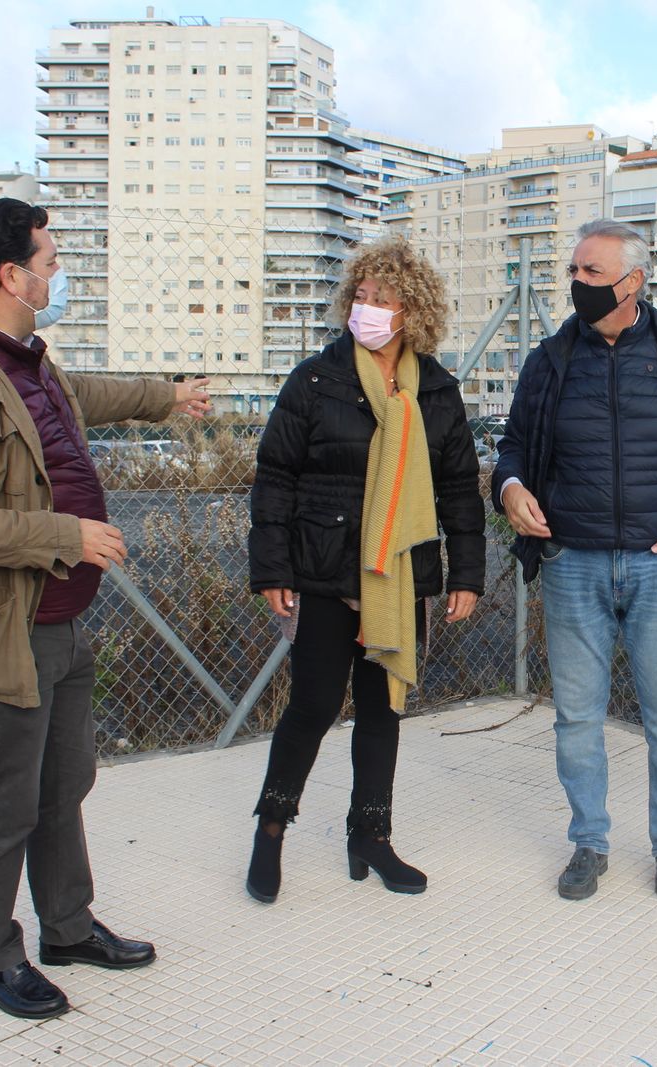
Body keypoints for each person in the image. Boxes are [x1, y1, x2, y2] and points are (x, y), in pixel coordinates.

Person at [0, 198, 213, 1020]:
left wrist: (165, 396)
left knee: (64, 784)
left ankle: (66, 925)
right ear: (10, 275)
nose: (57, 274)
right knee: (4, 800)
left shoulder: (26, 361)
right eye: (50, 261)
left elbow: (85, 393)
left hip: (58, 619)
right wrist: (63, 531)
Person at [493, 218, 657, 902]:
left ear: (633, 282)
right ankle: (589, 842)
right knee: (577, 716)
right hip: (572, 563)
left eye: (592, 273)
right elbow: (512, 446)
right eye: (573, 271)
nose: (577, 283)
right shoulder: (549, 362)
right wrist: (510, 488)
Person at [245, 237, 484, 903]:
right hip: (323, 571)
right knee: (313, 705)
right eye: (361, 295)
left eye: (383, 298)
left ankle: (370, 836)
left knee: (383, 708)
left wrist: (466, 572)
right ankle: (271, 827)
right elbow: (275, 478)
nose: (367, 307)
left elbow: (461, 488)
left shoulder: (435, 390)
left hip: (400, 575)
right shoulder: (316, 379)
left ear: (414, 312)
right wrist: (272, 567)